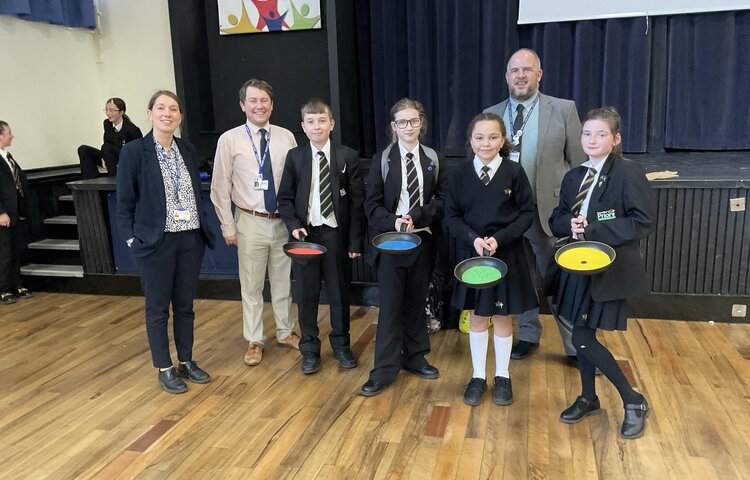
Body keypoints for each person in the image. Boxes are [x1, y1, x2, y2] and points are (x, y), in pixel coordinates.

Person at [549, 107, 654, 439]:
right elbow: (556, 220)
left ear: (616, 138)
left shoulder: (627, 172)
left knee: (581, 338)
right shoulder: (573, 176)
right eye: (587, 134)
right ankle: (588, 397)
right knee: (582, 336)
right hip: (575, 266)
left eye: (600, 134)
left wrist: (594, 228)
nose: (592, 140)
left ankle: (633, 400)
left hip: (608, 270)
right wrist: (570, 223)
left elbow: (642, 222)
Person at [484, 48, 586, 364]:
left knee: (559, 279)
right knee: (521, 278)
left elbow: (579, 164)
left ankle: (574, 347)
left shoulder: (564, 109)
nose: (521, 75)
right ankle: (528, 335)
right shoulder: (491, 114)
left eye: (527, 70)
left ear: (538, 75)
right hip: (508, 217)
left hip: (550, 213)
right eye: (515, 70)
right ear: (507, 76)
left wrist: (575, 210)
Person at [116, 90, 217, 394]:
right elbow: (125, 203)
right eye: (161, 108)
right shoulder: (135, 151)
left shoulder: (186, 148)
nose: (167, 114)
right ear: (149, 113)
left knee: (185, 306)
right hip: (155, 243)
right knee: (158, 309)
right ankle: (165, 367)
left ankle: (186, 360)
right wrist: (133, 240)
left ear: (180, 117)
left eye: (173, 109)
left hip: (189, 239)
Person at [445, 113, 537, 406]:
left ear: (503, 141)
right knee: (477, 315)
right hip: (473, 255)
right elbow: (451, 216)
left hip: (506, 255)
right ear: (470, 141)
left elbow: (526, 213)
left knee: (502, 316)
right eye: (479, 137)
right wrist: (473, 239)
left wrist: (501, 239)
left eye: (493, 137)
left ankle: (502, 375)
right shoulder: (458, 174)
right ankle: (477, 376)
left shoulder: (514, 172)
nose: (486, 143)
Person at [360, 98, 448, 397]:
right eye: (401, 122)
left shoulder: (434, 159)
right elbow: (370, 205)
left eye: (413, 121)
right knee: (391, 306)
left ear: (421, 123)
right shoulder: (382, 160)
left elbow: (443, 201)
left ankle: (415, 356)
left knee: (416, 301)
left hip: (422, 240)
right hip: (391, 243)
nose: (408, 127)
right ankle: (384, 369)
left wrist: (418, 217)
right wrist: (394, 221)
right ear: (393, 126)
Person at [210, 78, 300, 367]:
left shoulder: (287, 136)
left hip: (282, 221)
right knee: (251, 284)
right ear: (242, 105)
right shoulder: (230, 139)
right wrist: (227, 226)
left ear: (272, 105)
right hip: (249, 221)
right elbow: (219, 187)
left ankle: (285, 332)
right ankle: (255, 339)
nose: (259, 105)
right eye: (253, 100)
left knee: (283, 281)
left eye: (264, 100)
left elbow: (297, 180)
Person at [277, 98, 365, 374]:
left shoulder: (347, 156)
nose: (317, 126)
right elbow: (285, 198)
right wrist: (293, 226)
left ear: (332, 124)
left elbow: (357, 203)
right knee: (306, 294)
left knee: (339, 292)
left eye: (322, 120)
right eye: (311, 122)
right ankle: (310, 349)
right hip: (306, 235)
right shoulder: (295, 157)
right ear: (303, 126)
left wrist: (354, 241)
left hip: (335, 235)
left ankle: (341, 345)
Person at [0, 121, 33, 305]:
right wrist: (1, 212)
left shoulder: (8, 156)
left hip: (14, 212)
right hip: (4, 214)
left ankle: (16, 284)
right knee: (4, 252)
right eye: (9, 133)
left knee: (15, 250)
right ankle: (4, 288)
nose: (11, 136)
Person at [78, 98, 143, 180]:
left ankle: (114, 182)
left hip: (126, 161)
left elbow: (139, 154)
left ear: (121, 112)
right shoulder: (107, 124)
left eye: (111, 110)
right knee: (83, 149)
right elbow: (106, 142)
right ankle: (91, 184)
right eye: (106, 110)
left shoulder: (132, 130)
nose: (108, 113)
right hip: (109, 156)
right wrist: (103, 158)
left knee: (106, 148)